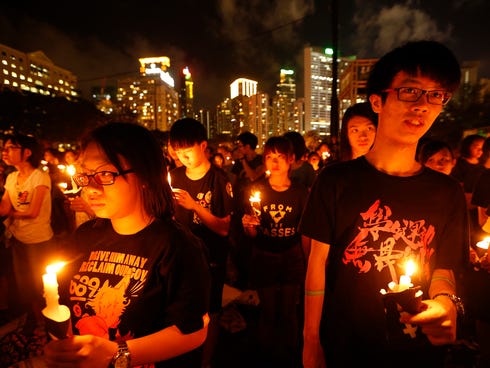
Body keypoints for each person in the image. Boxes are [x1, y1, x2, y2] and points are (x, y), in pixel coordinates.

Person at [299, 40, 468, 368]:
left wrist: (445, 302)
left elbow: (444, 265)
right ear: (377, 101)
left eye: (436, 95)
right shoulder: (336, 181)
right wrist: (310, 340)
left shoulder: (447, 192)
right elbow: (316, 266)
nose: (423, 105)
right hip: (346, 344)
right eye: (410, 90)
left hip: (415, 348)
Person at [43, 122, 211, 368]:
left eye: (105, 174)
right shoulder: (84, 236)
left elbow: (194, 331)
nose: (90, 187)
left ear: (144, 175)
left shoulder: (178, 246)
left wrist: (117, 353)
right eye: (85, 175)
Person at [168, 118, 234, 368]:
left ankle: (206, 360)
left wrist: (194, 205)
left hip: (211, 257)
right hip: (179, 256)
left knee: (210, 310)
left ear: (203, 145)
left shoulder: (219, 180)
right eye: (178, 151)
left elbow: (223, 228)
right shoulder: (173, 177)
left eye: (188, 150)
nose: (183, 156)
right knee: (181, 308)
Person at [241, 136, 309, 366]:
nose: (275, 162)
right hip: (265, 255)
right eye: (270, 157)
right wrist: (248, 226)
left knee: (289, 311)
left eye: (280, 157)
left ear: (291, 160)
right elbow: (253, 234)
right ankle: (265, 356)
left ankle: (292, 355)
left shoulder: (300, 193)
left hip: (291, 255)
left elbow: (305, 231)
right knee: (268, 311)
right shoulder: (257, 190)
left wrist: (308, 261)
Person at [0, 133, 56, 330]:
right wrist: (11, 212)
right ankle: (32, 320)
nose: (5, 152)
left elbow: (32, 212)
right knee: (23, 282)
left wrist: (13, 213)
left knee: (41, 283)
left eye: (11, 148)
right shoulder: (11, 176)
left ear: (27, 153)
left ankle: (49, 322)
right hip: (17, 238)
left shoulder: (40, 177)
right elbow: (5, 209)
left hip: (38, 239)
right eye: (5, 148)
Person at [451, 134, 486, 246]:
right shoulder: (459, 166)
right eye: (476, 146)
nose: (480, 149)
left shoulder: (482, 167)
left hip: (480, 210)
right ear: (467, 146)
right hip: (466, 209)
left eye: (483, 146)